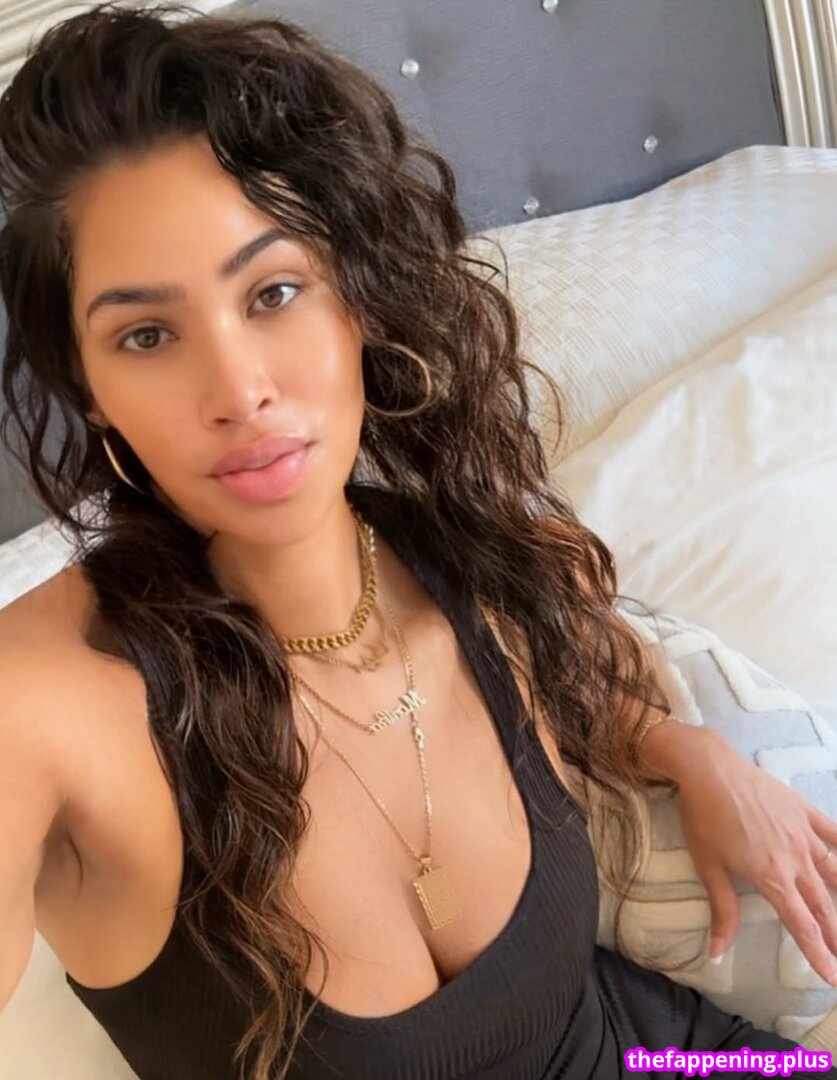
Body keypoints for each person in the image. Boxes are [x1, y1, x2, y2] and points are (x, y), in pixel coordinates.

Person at [0, 4, 835, 1079]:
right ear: (92, 390)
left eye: (275, 292)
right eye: (147, 334)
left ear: (356, 300)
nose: (239, 390)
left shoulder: (470, 554)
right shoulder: (45, 703)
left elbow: (580, 669)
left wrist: (692, 752)